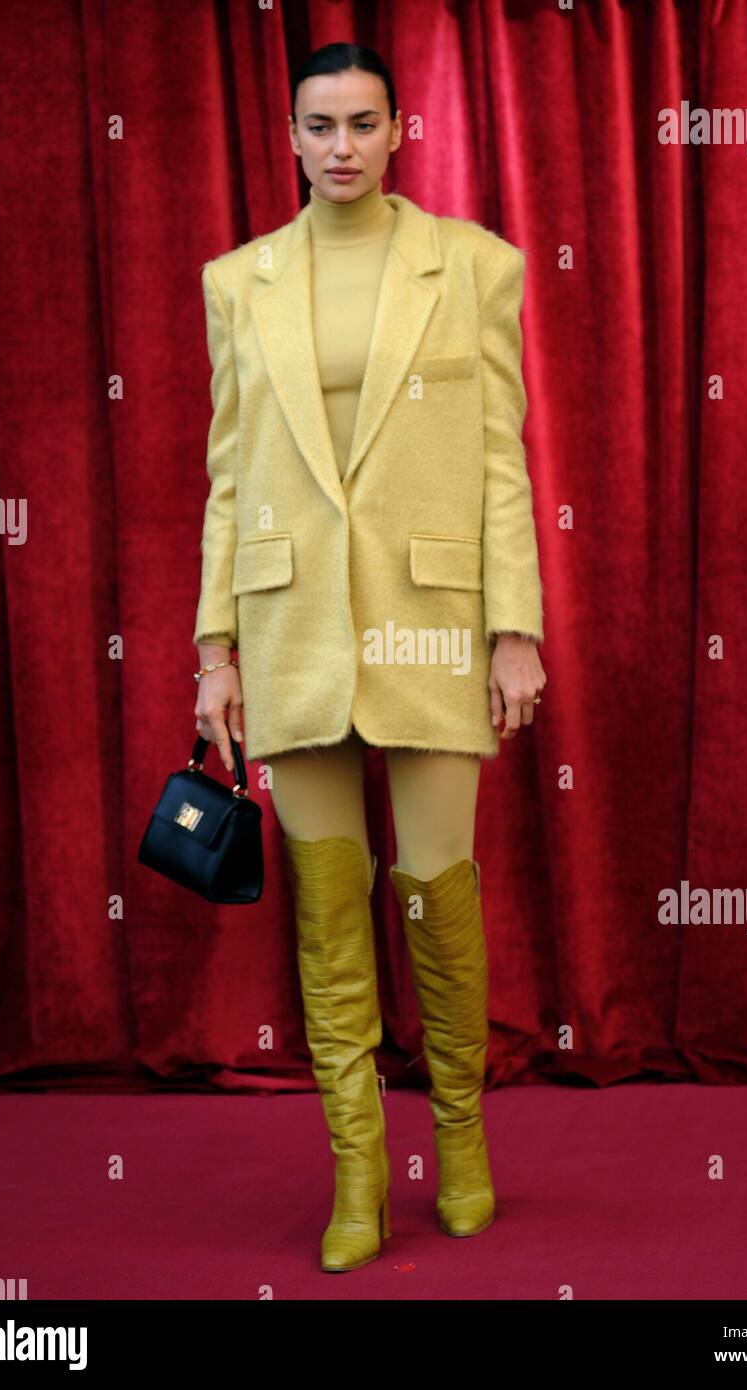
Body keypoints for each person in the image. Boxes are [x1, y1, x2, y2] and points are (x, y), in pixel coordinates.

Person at [192, 42, 546, 1272]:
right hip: (293, 627)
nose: (340, 144)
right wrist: (214, 650)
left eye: (363, 122)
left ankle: (460, 1144)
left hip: (433, 620)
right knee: (330, 909)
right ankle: (357, 1172)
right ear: (289, 137)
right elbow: (229, 475)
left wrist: (515, 628)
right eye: (318, 125)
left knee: (437, 893)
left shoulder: (477, 267)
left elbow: (503, 455)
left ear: (401, 131)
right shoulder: (240, 283)